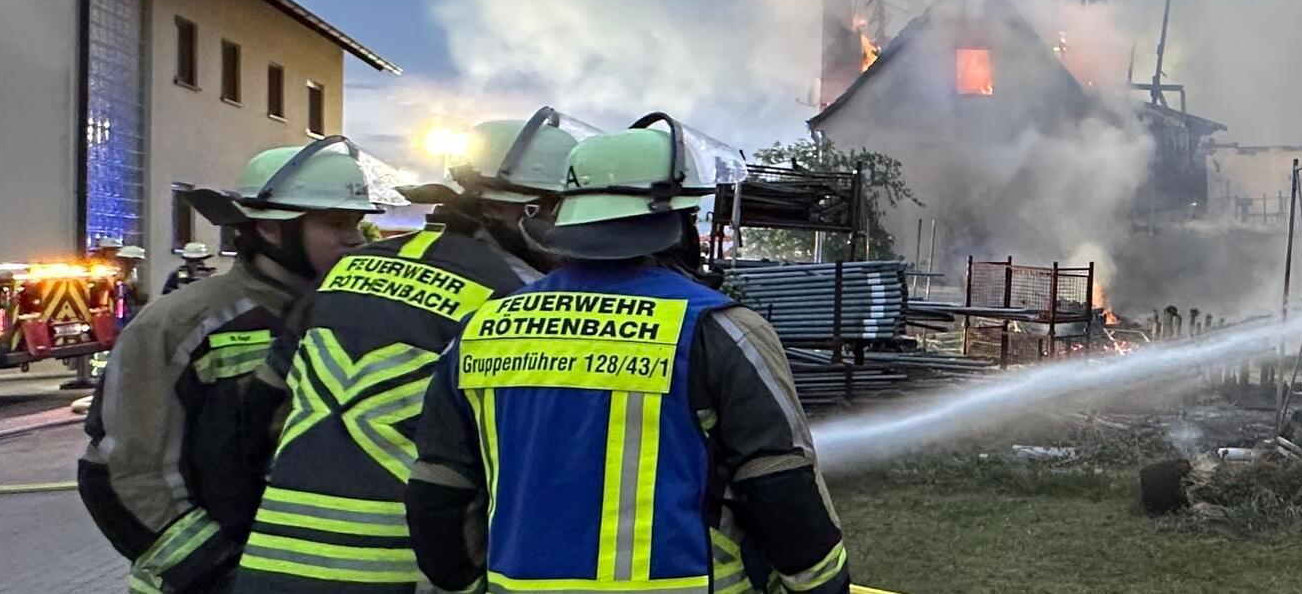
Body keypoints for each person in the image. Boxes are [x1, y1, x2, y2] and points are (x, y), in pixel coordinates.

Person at [407, 115, 851, 594]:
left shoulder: (482, 331)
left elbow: (440, 492)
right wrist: (823, 586)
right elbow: (780, 486)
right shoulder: (718, 330)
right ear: (678, 224)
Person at [231, 111, 586, 594]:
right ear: (514, 209)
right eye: (561, 209)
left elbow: (254, 415)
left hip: (271, 565)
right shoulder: (520, 304)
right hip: (406, 574)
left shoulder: (347, 270)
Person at [79, 138, 379, 594]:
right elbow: (129, 475)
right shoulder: (179, 324)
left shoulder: (356, 318)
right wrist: (219, 574)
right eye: (336, 222)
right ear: (273, 229)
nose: (354, 238)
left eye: (356, 222)